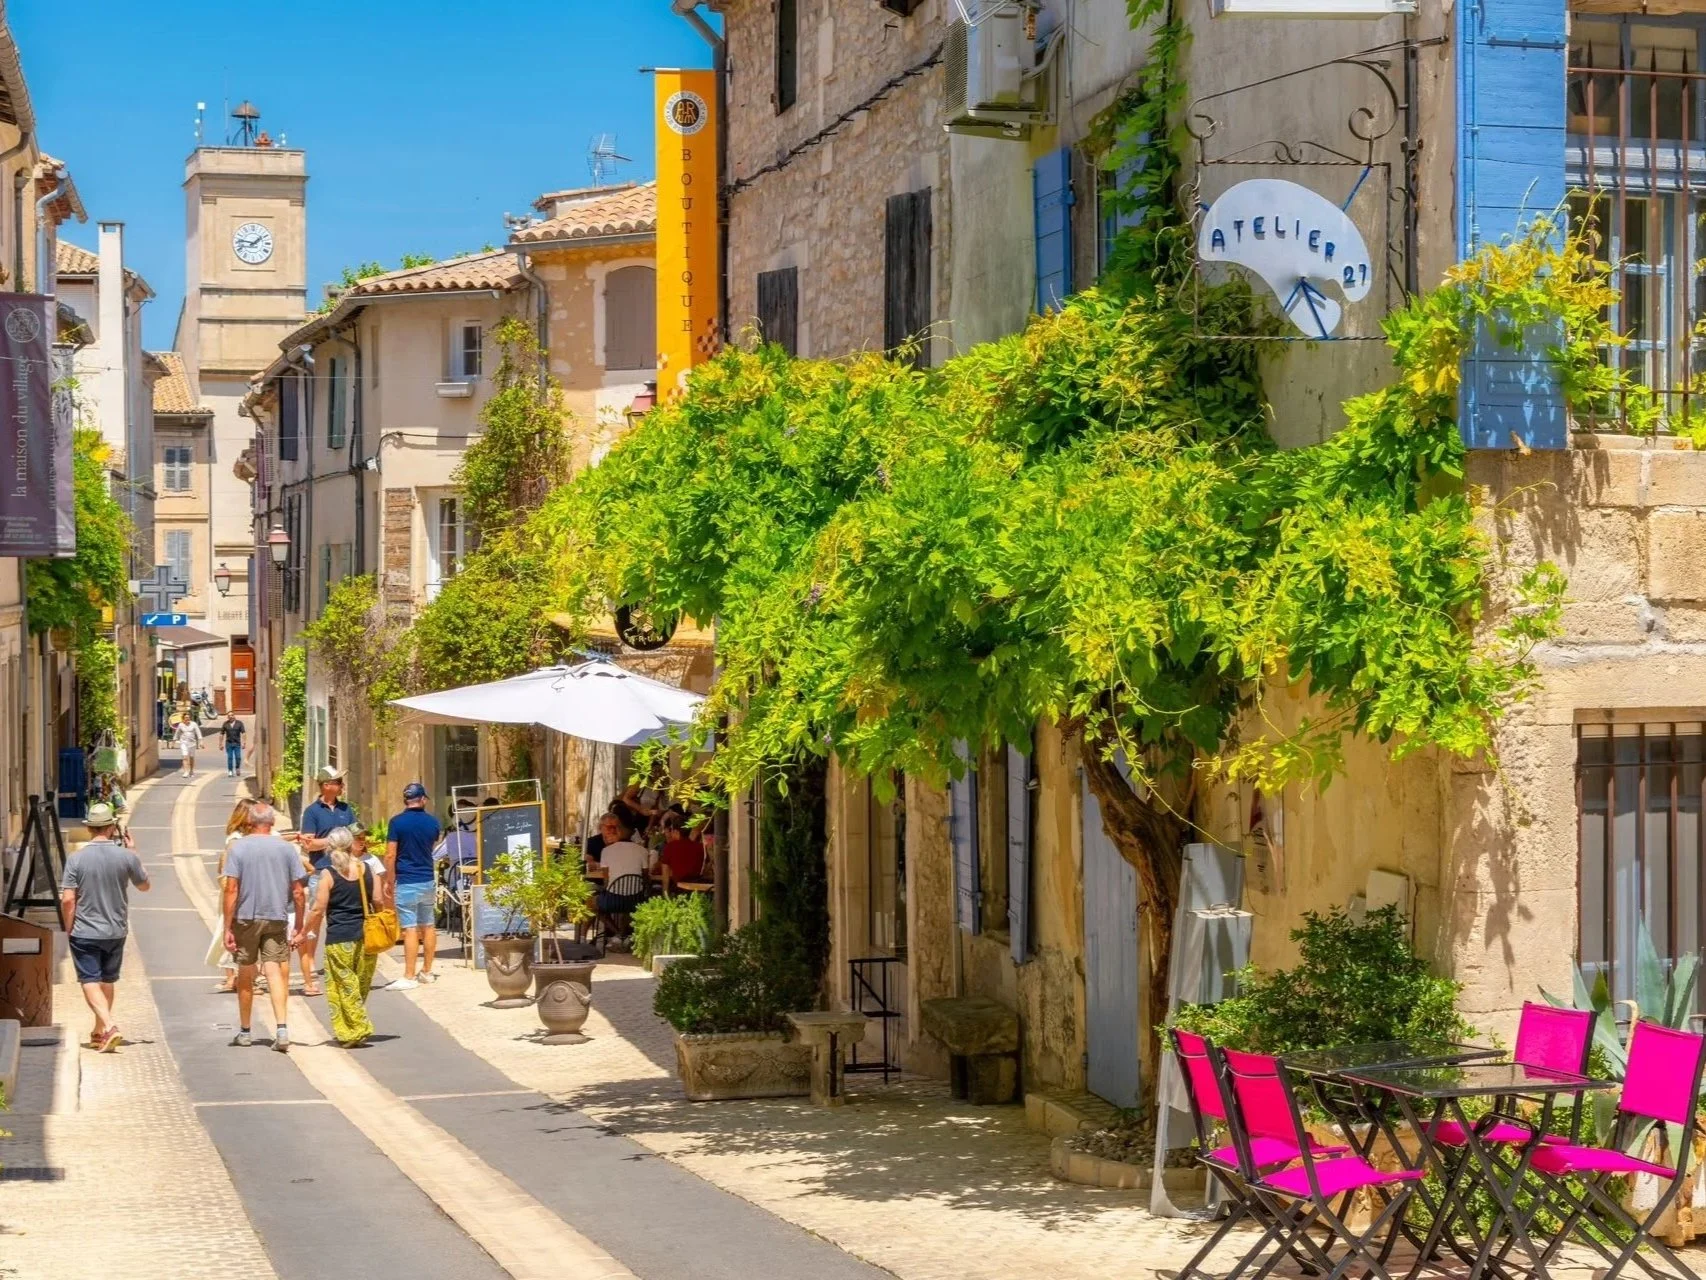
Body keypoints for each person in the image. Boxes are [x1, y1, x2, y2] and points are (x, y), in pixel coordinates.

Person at [58, 803, 150, 1052]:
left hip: (85, 930)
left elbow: (68, 899)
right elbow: (144, 886)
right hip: (116, 930)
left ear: (89, 828)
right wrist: (134, 853)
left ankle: (109, 1025)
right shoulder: (126, 857)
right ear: (111, 828)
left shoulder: (76, 860)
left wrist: (69, 927)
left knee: (89, 979)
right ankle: (99, 1032)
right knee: (107, 981)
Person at [223, 802, 307, 1052]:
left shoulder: (238, 848)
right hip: (276, 917)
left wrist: (228, 927)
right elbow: (299, 891)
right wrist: (299, 923)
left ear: (249, 822)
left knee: (246, 973)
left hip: (246, 918)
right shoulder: (287, 849)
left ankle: (246, 1031)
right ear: (272, 823)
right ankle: (281, 1028)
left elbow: (231, 889)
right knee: (275, 972)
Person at [294, 827, 378, 1047]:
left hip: (339, 936)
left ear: (329, 848)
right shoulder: (367, 869)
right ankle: (350, 1031)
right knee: (358, 986)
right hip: (366, 937)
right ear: (351, 845)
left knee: (342, 986)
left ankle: (357, 1028)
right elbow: (378, 899)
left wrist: (303, 932)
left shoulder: (328, 874)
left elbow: (318, 909)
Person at [294, 766, 354, 996]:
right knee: (315, 920)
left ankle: (341, 962)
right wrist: (336, 840)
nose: (341, 785)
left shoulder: (346, 809)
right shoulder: (312, 812)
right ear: (326, 785)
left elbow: (355, 834)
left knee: (341, 920)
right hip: (321, 871)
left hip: (344, 872)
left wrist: (328, 841)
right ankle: (309, 963)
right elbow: (307, 843)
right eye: (338, 781)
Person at [384, 782, 442, 989]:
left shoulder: (396, 823)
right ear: (423, 799)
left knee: (409, 928)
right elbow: (432, 845)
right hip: (426, 878)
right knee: (428, 924)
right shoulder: (433, 822)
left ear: (405, 800)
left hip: (407, 879)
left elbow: (391, 853)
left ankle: (409, 975)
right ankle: (427, 971)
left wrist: (389, 879)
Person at [205, 799, 255, 993]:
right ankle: (231, 976)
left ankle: (240, 975)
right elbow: (226, 870)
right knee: (228, 930)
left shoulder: (247, 837)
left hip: (245, 890)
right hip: (234, 890)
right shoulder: (235, 840)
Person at [588, 811, 650, 941]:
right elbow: (645, 877)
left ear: (619, 831)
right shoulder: (642, 850)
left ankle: (617, 933)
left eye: (613, 828)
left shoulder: (607, 851)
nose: (611, 831)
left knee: (591, 903)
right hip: (635, 899)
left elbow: (606, 881)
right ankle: (622, 933)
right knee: (626, 901)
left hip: (613, 897)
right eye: (608, 827)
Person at [656, 810, 706, 887]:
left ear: (676, 831)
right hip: (697, 889)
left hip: (679, 889)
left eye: (671, 829)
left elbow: (665, 875)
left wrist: (665, 894)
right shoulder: (700, 847)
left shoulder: (670, 847)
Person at [173, 713, 202, 778]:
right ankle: (186, 771)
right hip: (184, 743)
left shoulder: (194, 724)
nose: (187, 719)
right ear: (183, 719)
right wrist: (174, 741)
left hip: (192, 743)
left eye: (188, 717)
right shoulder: (181, 725)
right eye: (186, 717)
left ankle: (191, 771)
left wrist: (201, 742)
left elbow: (198, 733)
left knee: (191, 758)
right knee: (185, 757)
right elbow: (177, 733)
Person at [219, 713, 246, 777]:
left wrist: (244, 742)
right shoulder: (225, 724)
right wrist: (220, 744)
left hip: (237, 743)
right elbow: (221, 734)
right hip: (229, 743)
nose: (231, 716)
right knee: (230, 758)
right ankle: (230, 771)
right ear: (227, 717)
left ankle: (237, 768)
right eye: (229, 716)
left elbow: (243, 733)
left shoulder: (239, 723)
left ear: (234, 716)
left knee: (238, 757)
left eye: (232, 715)